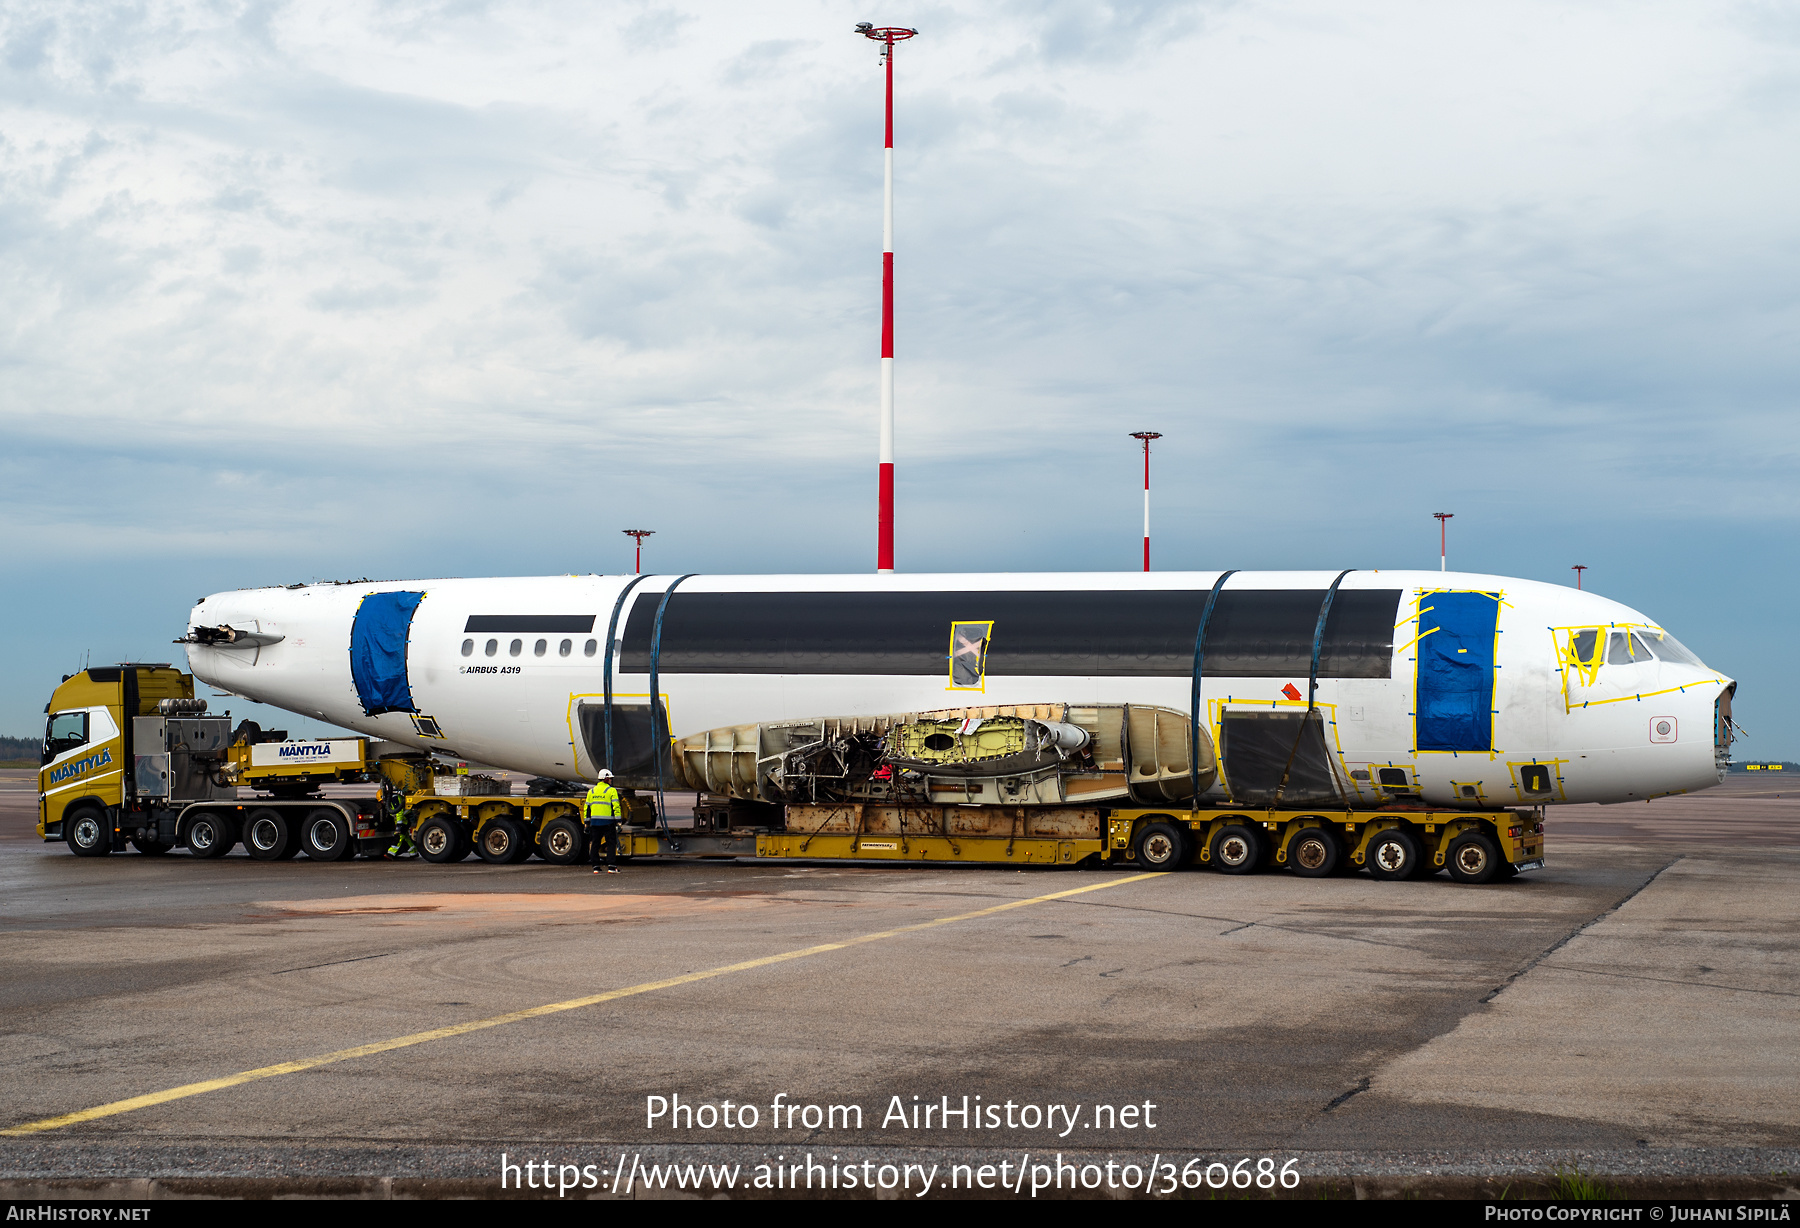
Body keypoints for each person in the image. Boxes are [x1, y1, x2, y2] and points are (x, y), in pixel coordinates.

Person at [584, 769, 623, 874]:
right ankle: (611, 866)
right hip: (608, 822)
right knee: (610, 843)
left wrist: (586, 824)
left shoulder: (591, 791)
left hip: (595, 823)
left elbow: (587, 809)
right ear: (605, 778)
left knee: (595, 844)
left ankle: (595, 867)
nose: (611, 780)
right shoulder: (611, 791)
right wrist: (619, 822)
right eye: (610, 778)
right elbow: (616, 807)